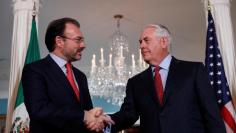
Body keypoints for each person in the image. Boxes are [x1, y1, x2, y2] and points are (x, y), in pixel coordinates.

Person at [104, 24, 226, 133]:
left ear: (163, 42)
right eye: (140, 42)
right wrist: (104, 123)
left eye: (146, 40)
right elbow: (127, 115)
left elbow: (212, 115)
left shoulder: (194, 70)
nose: (141, 46)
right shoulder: (135, 82)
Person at [22, 17, 112, 133]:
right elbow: (39, 110)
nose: (83, 45)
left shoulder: (81, 77)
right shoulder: (35, 70)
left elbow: (89, 115)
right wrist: (84, 115)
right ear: (59, 41)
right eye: (78, 40)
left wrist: (97, 119)